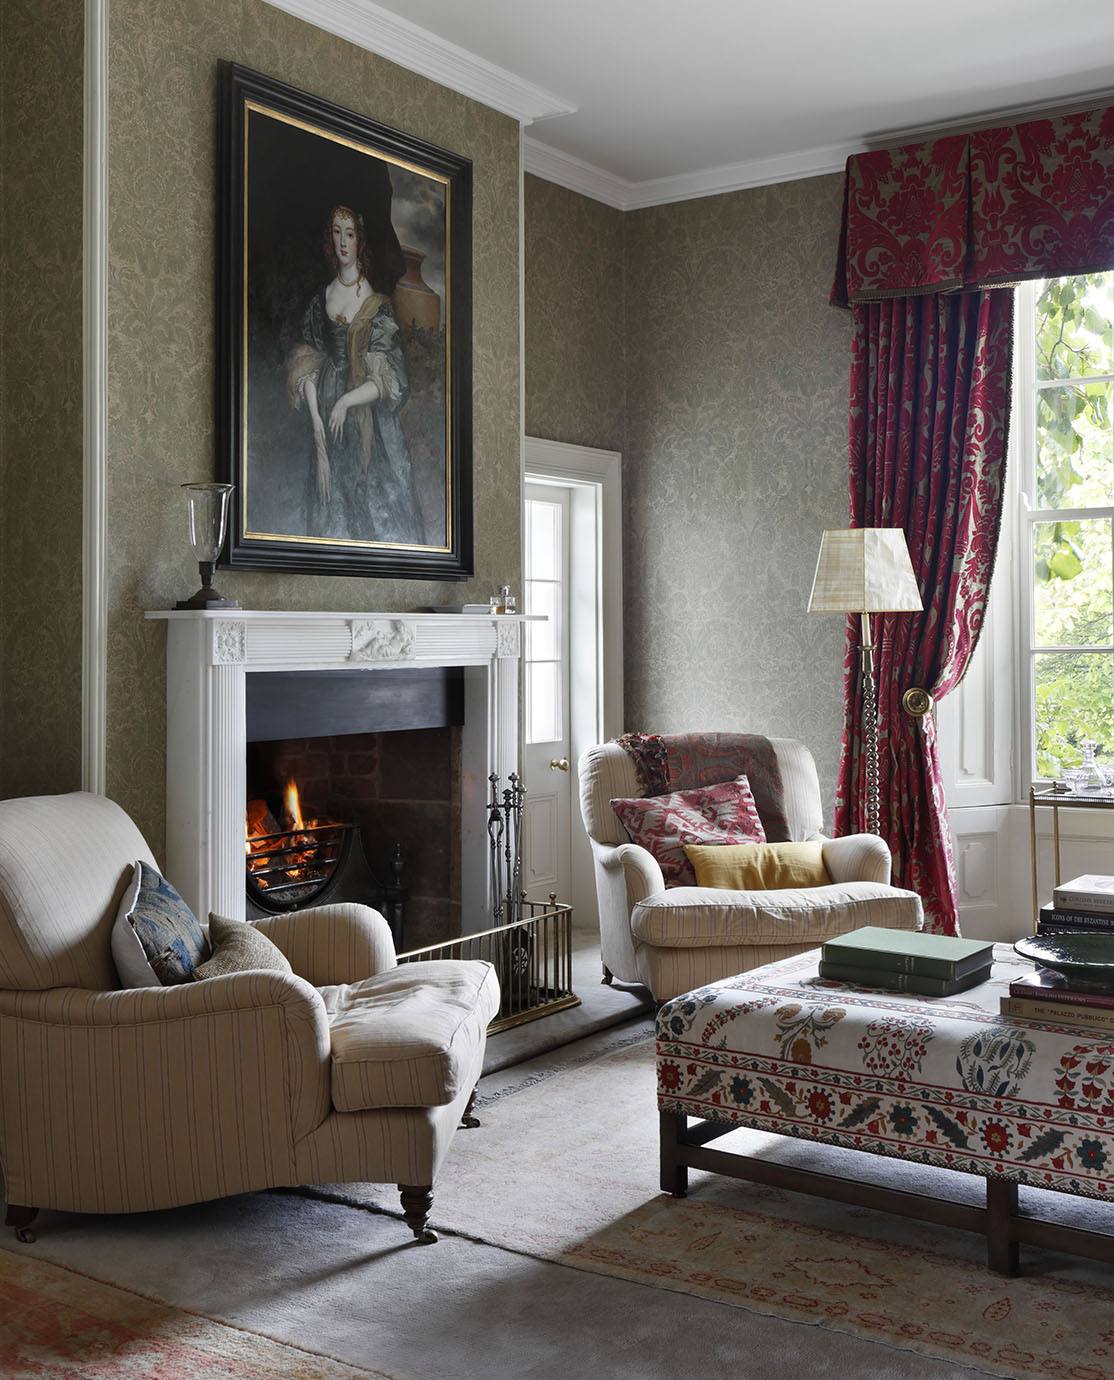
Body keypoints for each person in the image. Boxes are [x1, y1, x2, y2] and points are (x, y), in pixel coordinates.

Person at [285, 204, 426, 544]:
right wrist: (317, 421)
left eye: (349, 234)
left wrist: (347, 400)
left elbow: (387, 378)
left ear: (359, 241)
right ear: (329, 238)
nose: (342, 242)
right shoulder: (322, 298)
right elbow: (308, 361)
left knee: (378, 506)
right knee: (329, 508)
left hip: (367, 417)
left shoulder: (376, 304)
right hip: (328, 410)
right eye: (336, 233)